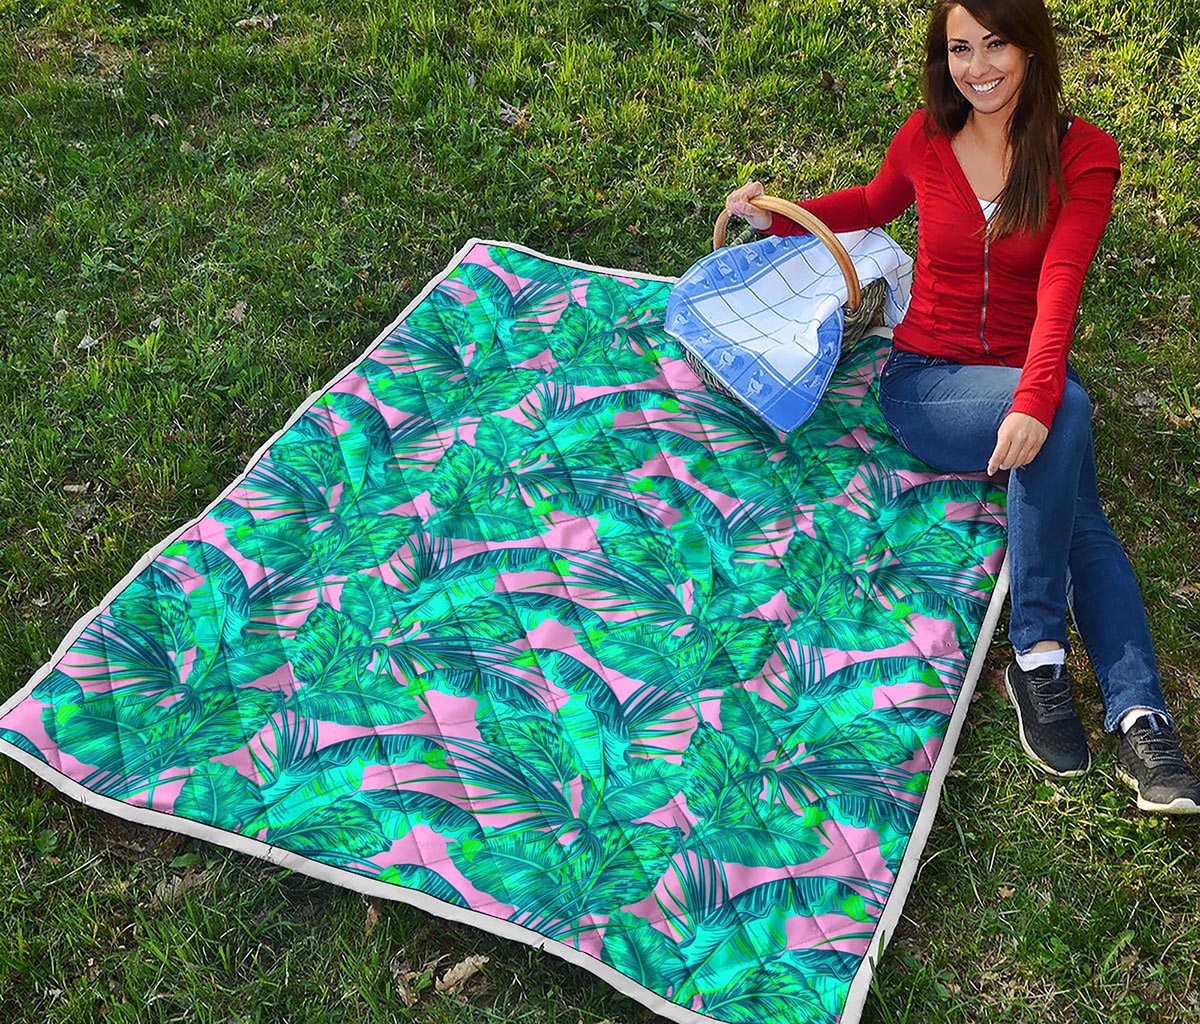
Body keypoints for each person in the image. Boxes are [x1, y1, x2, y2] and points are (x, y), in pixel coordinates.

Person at [724, 0, 1200, 814]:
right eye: (959, 49)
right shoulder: (926, 137)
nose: (977, 68)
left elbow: (1061, 285)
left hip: (1022, 380)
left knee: (1077, 496)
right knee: (1068, 416)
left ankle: (1136, 715)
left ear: (1032, 50)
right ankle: (1043, 657)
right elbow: (870, 204)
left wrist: (1035, 397)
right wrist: (777, 221)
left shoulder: (1083, 155)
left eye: (996, 44)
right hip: (927, 384)